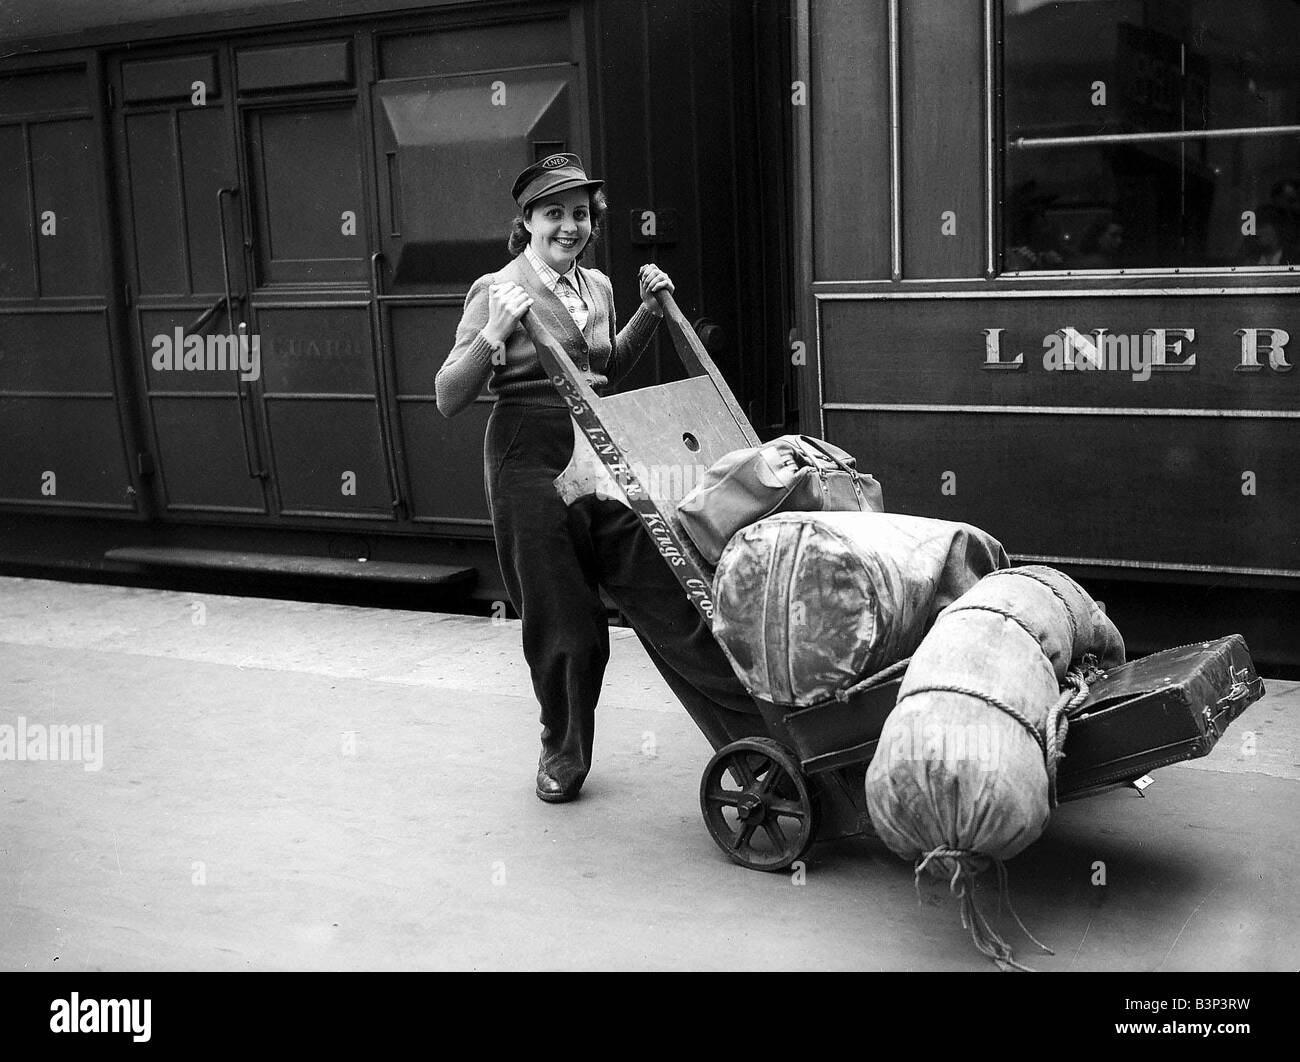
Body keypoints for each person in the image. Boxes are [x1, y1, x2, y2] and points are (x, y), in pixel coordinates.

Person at [435, 153, 761, 803]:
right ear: (527, 222)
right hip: (528, 453)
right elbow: (448, 395)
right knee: (566, 622)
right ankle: (562, 752)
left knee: (672, 592)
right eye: (553, 213)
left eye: (580, 214)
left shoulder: (599, 286)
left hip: (602, 449)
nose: (569, 226)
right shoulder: (495, 288)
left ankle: (758, 739)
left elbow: (605, 368)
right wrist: (495, 331)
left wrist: (648, 310)